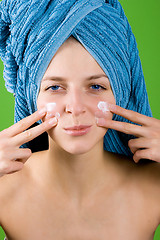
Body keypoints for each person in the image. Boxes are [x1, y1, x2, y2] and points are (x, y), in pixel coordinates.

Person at [0, 0, 160, 239]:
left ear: (121, 91)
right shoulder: (4, 189)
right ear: (31, 96)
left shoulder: (154, 185)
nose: (75, 108)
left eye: (96, 86)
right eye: (55, 87)